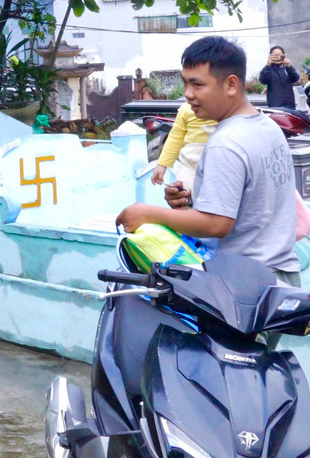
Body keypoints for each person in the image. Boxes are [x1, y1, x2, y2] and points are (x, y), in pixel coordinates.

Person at [117, 36, 299, 285]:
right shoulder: (268, 127)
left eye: (197, 84)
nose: (188, 94)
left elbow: (217, 224)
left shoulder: (226, 143)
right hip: (282, 278)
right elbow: (249, 207)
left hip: (247, 286)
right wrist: (189, 204)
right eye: (185, 83)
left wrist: (148, 214)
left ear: (231, 85)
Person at [149, 101, 215, 190]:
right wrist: (162, 164)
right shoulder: (186, 108)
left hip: (218, 162)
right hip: (190, 163)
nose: (190, 93)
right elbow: (175, 138)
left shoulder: (226, 107)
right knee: (185, 192)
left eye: (199, 86)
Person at [259, 45, 300, 110]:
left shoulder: (286, 67)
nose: (278, 57)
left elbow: (295, 78)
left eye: (280, 55)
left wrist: (289, 66)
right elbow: (262, 80)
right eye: (275, 55)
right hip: (275, 105)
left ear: (284, 56)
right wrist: (268, 65)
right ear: (270, 56)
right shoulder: (269, 69)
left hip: (289, 105)